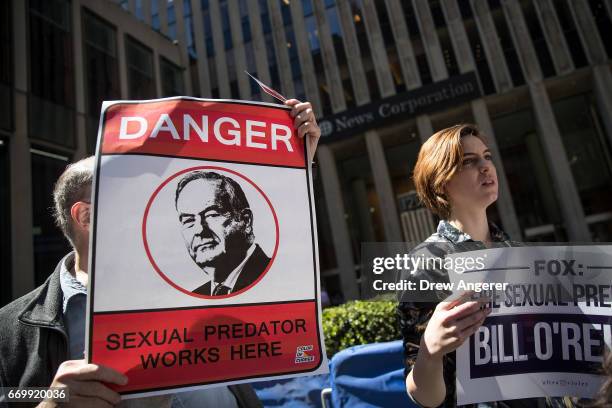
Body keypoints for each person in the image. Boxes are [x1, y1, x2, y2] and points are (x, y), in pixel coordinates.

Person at [0, 99, 320, 407]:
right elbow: (10, 396)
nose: (149, 207)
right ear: (86, 217)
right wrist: (51, 402)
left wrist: (292, 157)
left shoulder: (194, 286)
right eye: (130, 196)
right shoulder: (10, 327)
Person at [398, 124, 548, 408]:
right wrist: (430, 353)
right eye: (469, 161)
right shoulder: (424, 265)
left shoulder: (520, 254)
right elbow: (423, 397)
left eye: (487, 156)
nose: (486, 167)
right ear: (441, 181)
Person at [175, 171, 271, 296]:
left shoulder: (276, 278)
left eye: (212, 215)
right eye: (188, 220)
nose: (199, 230)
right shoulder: (198, 295)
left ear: (246, 221)